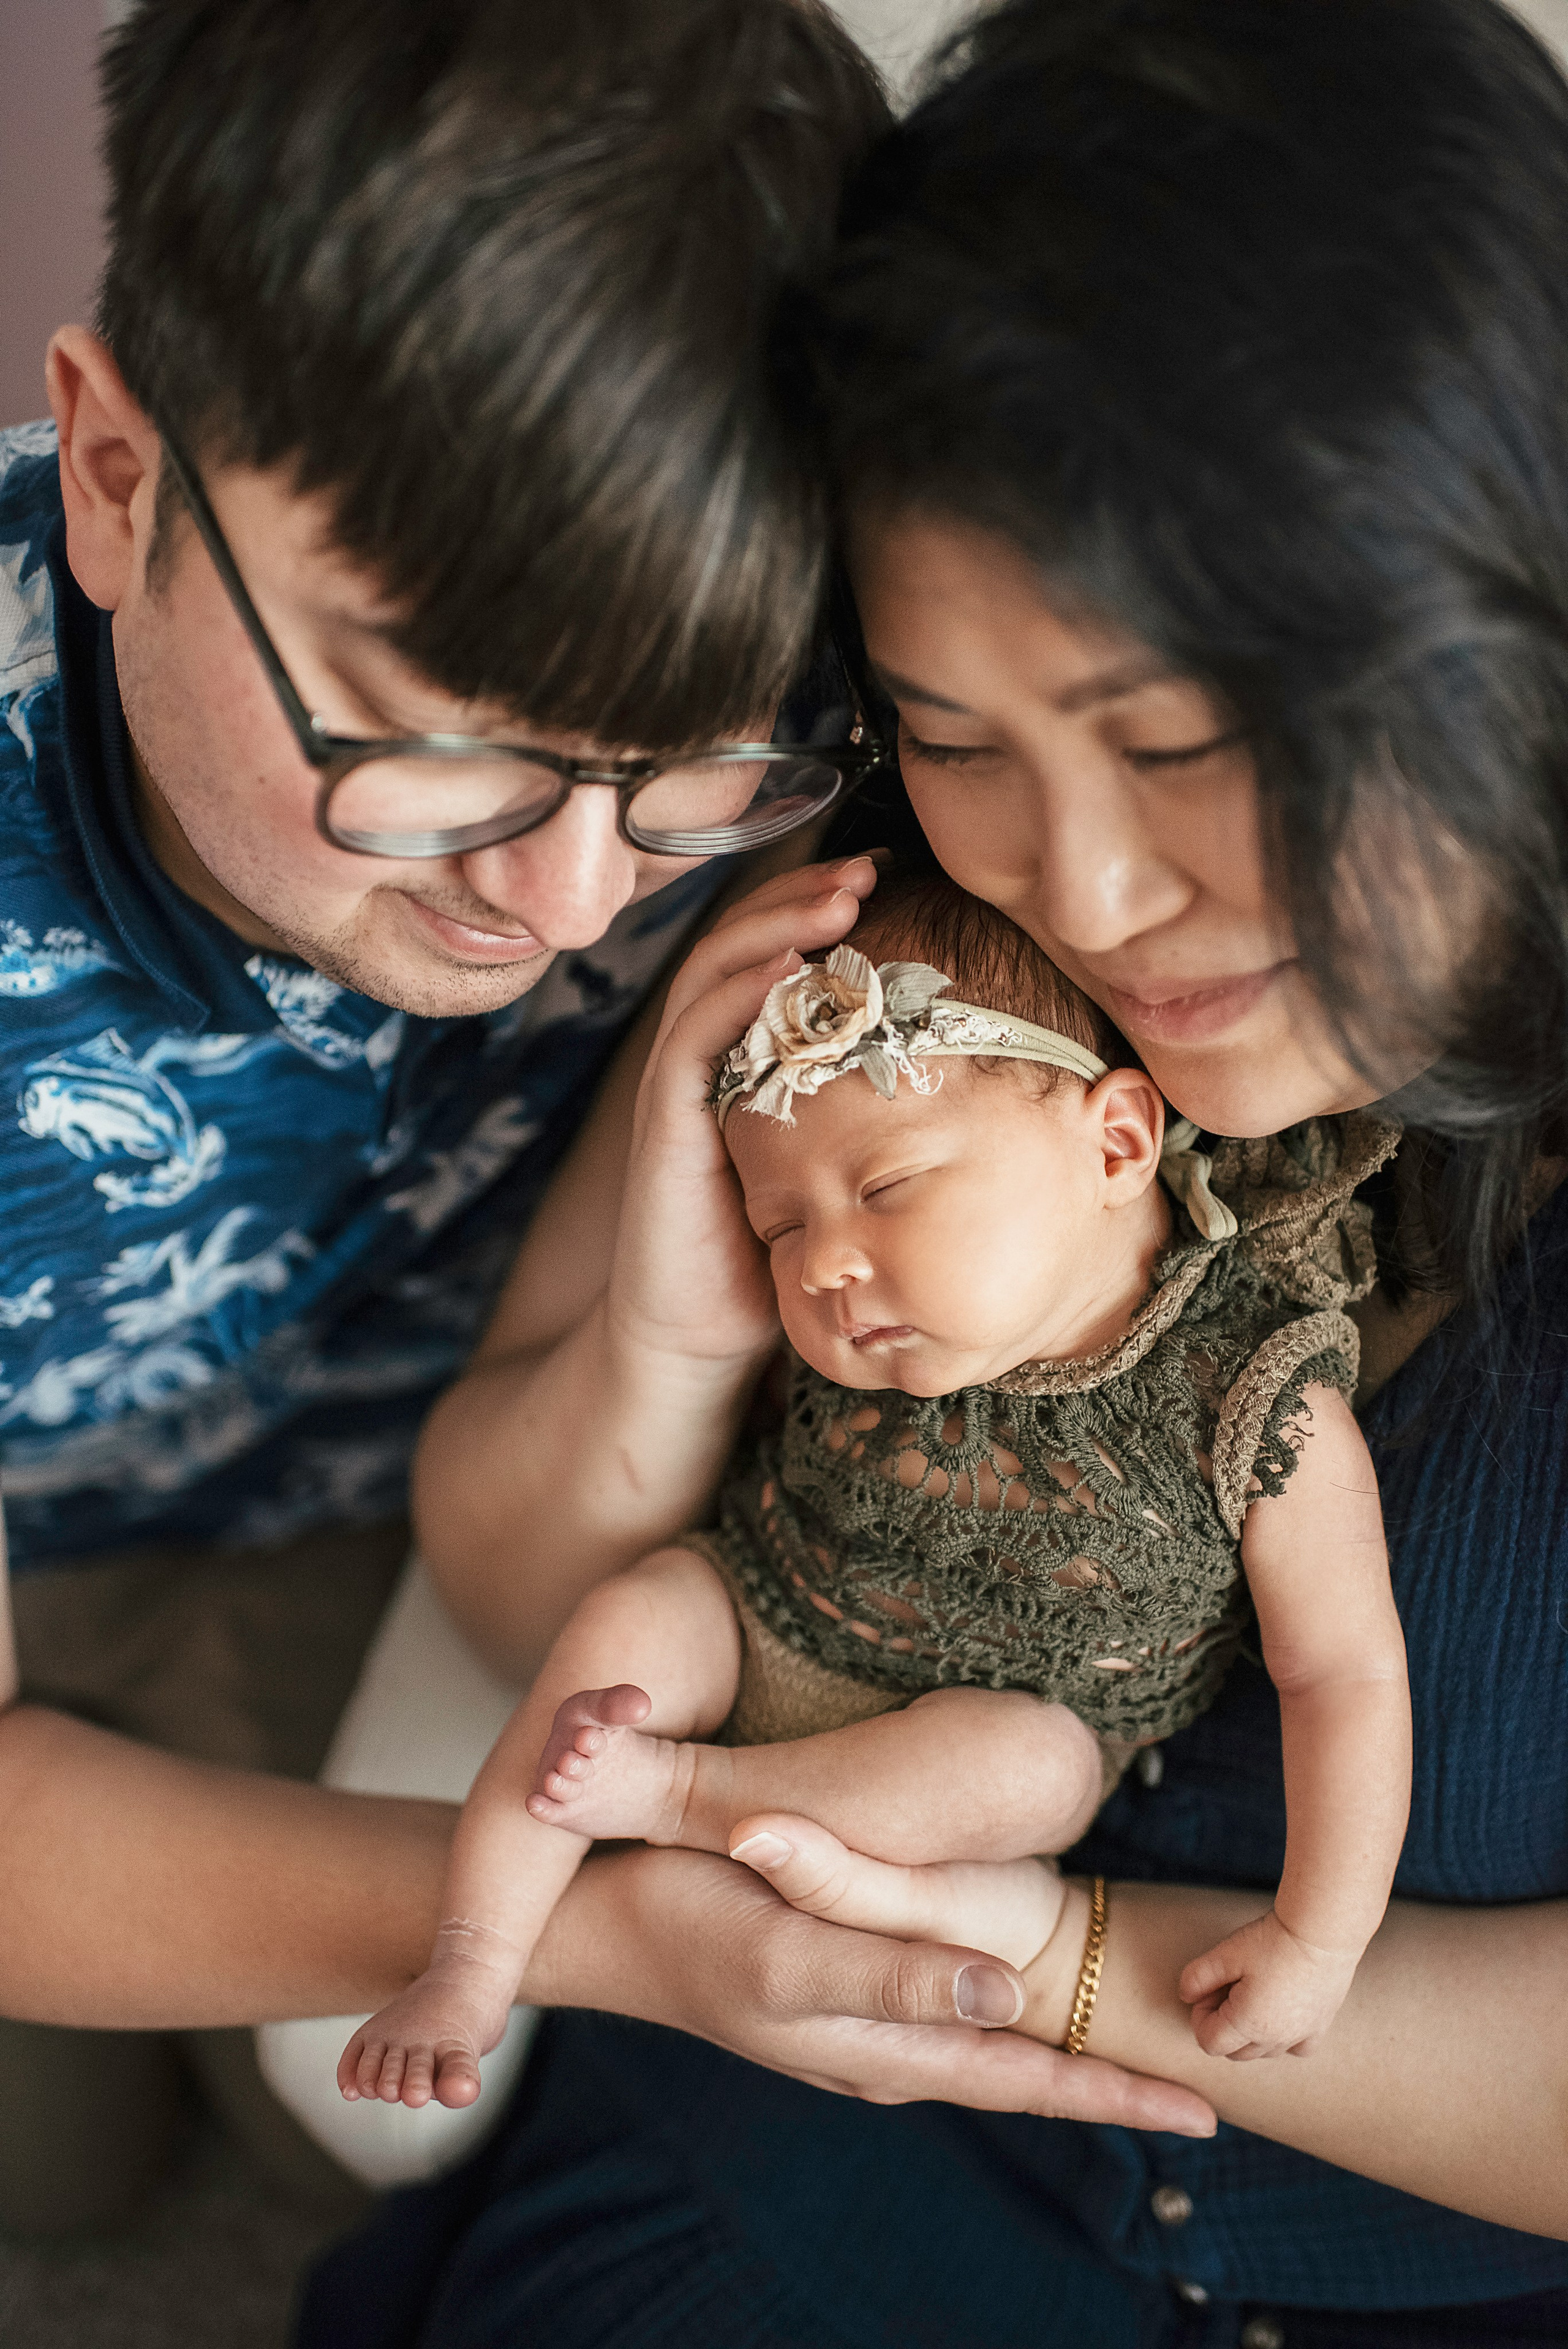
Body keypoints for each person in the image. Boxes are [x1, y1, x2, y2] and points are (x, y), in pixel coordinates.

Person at [298, 1, 1568, 2342]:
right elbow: (515, 1598)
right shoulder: (903, 960)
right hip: (801, 2133)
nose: (1090, 890)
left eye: (1181, 742)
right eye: (959, 735)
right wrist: (679, 1316)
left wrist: (1067, 1958)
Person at [0, 0, 891, 2240]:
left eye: (689, 758)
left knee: (352, 2130)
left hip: (378, 1503)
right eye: (440, 740)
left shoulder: (814, 713)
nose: (567, 900)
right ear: (114, 474)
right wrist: (589, 1933)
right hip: (49, 1535)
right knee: (53, 2179)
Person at [339, 875, 1408, 2112]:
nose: (827, 1266)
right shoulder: (861, 1324)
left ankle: (684, 1798)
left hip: (960, 1746)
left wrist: (1318, 1936)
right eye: (780, 1227)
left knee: (1037, 1769)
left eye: (889, 1187)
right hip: (758, 1608)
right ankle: (470, 1963)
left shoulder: (1252, 1400)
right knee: (629, 1619)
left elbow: (1344, 1675)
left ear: (1116, 1144)